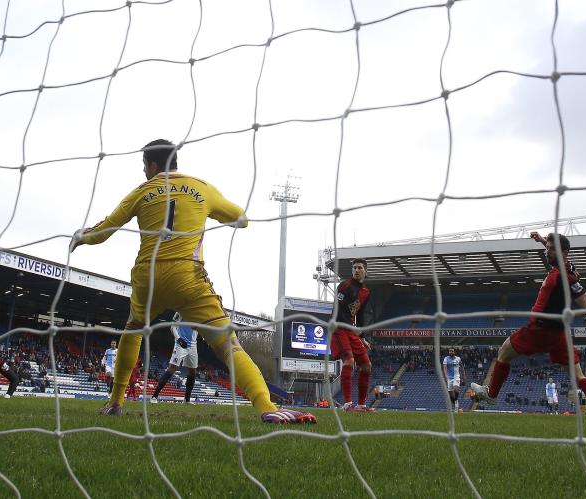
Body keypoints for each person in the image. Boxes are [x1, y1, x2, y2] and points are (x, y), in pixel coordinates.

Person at [71, 139, 314, 424]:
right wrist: (208, 212)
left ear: (152, 165)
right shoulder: (202, 187)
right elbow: (241, 219)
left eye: (143, 167)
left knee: (134, 330)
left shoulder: (140, 192)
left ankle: (115, 401)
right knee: (227, 345)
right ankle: (265, 406)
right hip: (188, 276)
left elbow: (104, 230)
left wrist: (81, 237)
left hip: (148, 277)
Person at [466, 232, 586, 421]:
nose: (547, 252)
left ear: (564, 253)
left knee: (504, 351)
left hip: (539, 328)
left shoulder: (567, 278)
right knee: (579, 376)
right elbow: (555, 254)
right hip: (559, 334)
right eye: (547, 248)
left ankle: (491, 394)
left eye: (551, 249)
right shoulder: (565, 267)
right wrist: (542, 241)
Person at [332, 259, 373, 412]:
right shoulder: (344, 286)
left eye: (360, 268)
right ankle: (348, 404)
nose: (356, 270)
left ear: (365, 271)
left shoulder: (366, 292)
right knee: (349, 361)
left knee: (366, 366)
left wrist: (362, 336)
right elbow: (338, 309)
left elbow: (360, 314)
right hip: (338, 327)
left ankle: (362, 405)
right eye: (354, 268)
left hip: (351, 330)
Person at [152, 312, 198, 403]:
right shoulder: (181, 310)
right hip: (180, 344)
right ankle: (154, 396)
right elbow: (172, 327)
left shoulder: (199, 311)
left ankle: (187, 400)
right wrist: (179, 339)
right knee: (171, 369)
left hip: (193, 345)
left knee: (193, 372)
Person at [442, 347, 467, 412]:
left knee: (455, 389)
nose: (450, 352)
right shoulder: (446, 359)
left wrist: (464, 377)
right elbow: (444, 368)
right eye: (449, 351)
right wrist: (445, 377)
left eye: (452, 351)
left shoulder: (458, 359)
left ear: (454, 352)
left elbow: (462, 368)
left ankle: (456, 404)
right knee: (450, 395)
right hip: (449, 378)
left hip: (456, 377)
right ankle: (456, 405)